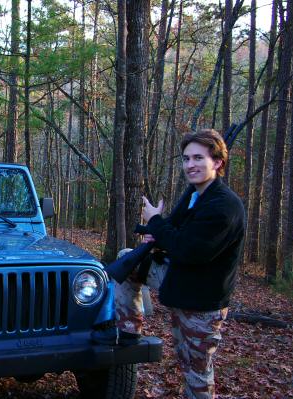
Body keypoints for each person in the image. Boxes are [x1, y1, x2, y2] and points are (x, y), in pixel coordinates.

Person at [93, 129, 245, 398]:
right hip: (180, 282)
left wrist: (156, 223)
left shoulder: (223, 206)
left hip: (201, 301)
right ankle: (128, 331)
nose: (190, 165)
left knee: (196, 370)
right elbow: (175, 233)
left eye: (198, 158)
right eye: (186, 159)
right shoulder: (197, 195)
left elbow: (190, 249)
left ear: (218, 162)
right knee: (126, 260)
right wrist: (157, 229)